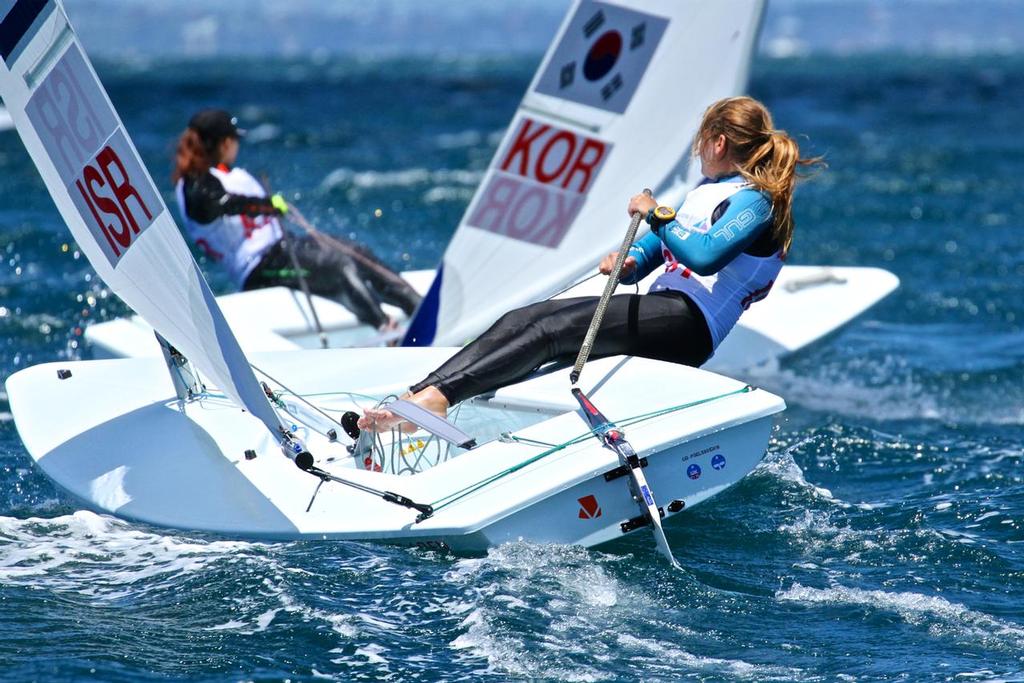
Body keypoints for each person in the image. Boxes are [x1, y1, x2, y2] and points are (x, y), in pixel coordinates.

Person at [360, 95, 821, 431]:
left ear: (718, 143)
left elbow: (702, 257)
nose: (697, 151)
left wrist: (656, 213)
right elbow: (656, 253)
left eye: (701, 143)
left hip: (691, 326)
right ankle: (417, 395)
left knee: (551, 333)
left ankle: (438, 400)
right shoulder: (708, 193)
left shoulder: (757, 203)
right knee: (526, 318)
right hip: (667, 312)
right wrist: (629, 261)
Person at [172, 108, 421, 332]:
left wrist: (265, 206)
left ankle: (419, 307)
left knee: (355, 252)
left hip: (283, 248)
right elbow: (219, 204)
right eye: (236, 140)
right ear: (225, 143)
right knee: (339, 265)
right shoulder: (195, 186)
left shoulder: (216, 176)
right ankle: (386, 328)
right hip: (258, 270)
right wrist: (266, 206)